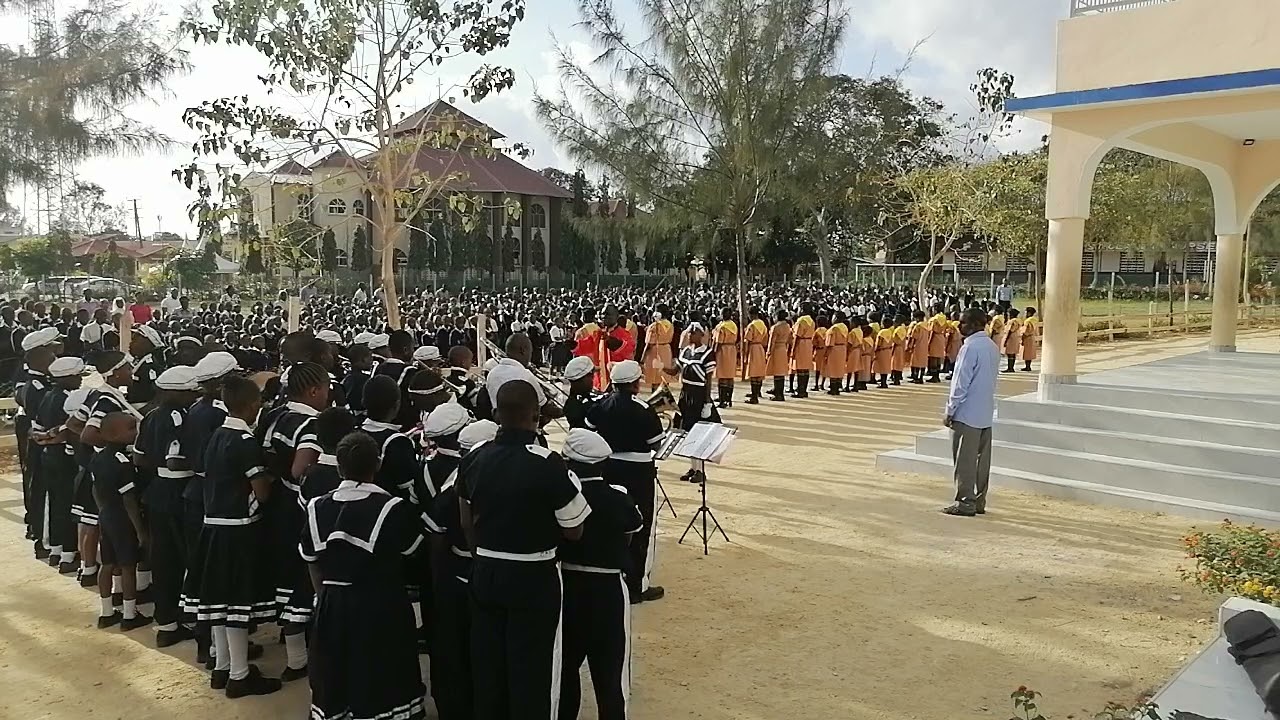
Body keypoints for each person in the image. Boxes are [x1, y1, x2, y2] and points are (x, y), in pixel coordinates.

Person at [458, 381, 591, 720]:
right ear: (536, 415)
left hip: (485, 571)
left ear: (496, 415)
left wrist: (483, 554)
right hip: (533, 575)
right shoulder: (547, 463)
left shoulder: (475, 457)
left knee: (489, 666)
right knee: (532, 669)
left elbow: (466, 517)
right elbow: (574, 529)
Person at [302, 431, 429, 720]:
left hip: (331, 605)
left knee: (336, 674)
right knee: (381, 677)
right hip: (380, 604)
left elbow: (311, 561)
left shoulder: (316, 508)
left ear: (338, 467)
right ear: (378, 464)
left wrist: (325, 598)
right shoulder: (392, 508)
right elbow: (413, 553)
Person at [184, 374, 282, 697]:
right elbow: (262, 493)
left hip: (213, 527)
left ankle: (223, 667)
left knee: (218, 605)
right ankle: (239, 676)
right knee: (237, 604)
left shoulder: (216, 436)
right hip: (238, 531)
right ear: (252, 405)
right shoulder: (244, 442)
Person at [557, 429, 644, 720]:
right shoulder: (618, 497)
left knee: (566, 668)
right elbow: (629, 537)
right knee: (610, 674)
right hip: (607, 587)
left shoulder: (561, 498)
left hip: (567, 586)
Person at [425, 418, 497, 720]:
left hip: (457, 575)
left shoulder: (453, 486)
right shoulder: (498, 481)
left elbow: (435, 538)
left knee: (456, 650)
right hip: (487, 574)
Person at [585, 359, 666, 604]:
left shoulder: (600, 405)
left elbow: (590, 429)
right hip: (639, 472)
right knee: (641, 525)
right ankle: (636, 586)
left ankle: (614, 575)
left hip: (608, 467)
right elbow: (656, 443)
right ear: (634, 383)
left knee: (612, 521)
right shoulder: (643, 409)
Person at [133, 366, 200, 648]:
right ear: (175, 392)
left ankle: (167, 624)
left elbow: (140, 458)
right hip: (178, 492)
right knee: (187, 557)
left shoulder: (150, 416)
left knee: (162, 560)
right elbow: (175, 460)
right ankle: (192, 620)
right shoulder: (179, 416)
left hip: (157, 492)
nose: (193, 396)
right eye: (189, 392)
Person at [91, 412, 153, 631]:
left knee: (107, 564)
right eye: (130, 428)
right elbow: (129, 500)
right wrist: (140, 531)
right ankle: (129, 614)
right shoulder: (123, 463)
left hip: (106, 514)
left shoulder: (98, 457)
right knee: (128, 566)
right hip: (122, 518)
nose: (135, 432)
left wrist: (102, 512)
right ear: (114, 434)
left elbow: (95, 489)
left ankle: (106, 612)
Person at [942, 307, 1000, 518]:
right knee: (981, 461)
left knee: (964, 460)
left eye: (963, 322)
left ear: (975, 324)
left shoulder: (970, 348)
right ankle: (979, 500)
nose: (959, 326)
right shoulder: (992, 347)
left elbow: (960, 383)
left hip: (967, 413)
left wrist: (950, 409)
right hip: (985, 412)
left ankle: (965, 502)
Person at [562, 355, 599, 430]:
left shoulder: (576, 398)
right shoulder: (579, 405)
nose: (593, 379)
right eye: (591, 376)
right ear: (583, 378)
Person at [765, 309, 792, 402]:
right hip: (783, 349)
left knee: (777, 372)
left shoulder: (775, 327)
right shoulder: (788, 326)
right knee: (781, 372)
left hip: (776, 349)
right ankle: (779, 392)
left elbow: (771, 341)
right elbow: (790, 339)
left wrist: (768, 352)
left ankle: (778, 394)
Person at [742, 309, 767, 404]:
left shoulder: (751, 325)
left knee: (753, 372)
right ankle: (757, 392)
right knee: (759, 372)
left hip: (753, 347)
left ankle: (754, 397)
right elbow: (765, 339)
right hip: (760, 347)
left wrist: (745, 353)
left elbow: (747, 340)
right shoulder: (762, 324)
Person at [1020, 307, 1039, 372]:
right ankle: (1028, 366)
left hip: (1027, 338)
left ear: (1029, 313)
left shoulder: (1028, 321)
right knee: (1029, 352)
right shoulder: (1034, 320)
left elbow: (1026, 331)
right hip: (1032, 337)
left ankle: (1027, 366)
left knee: (1027, 352)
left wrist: (1022, 338)